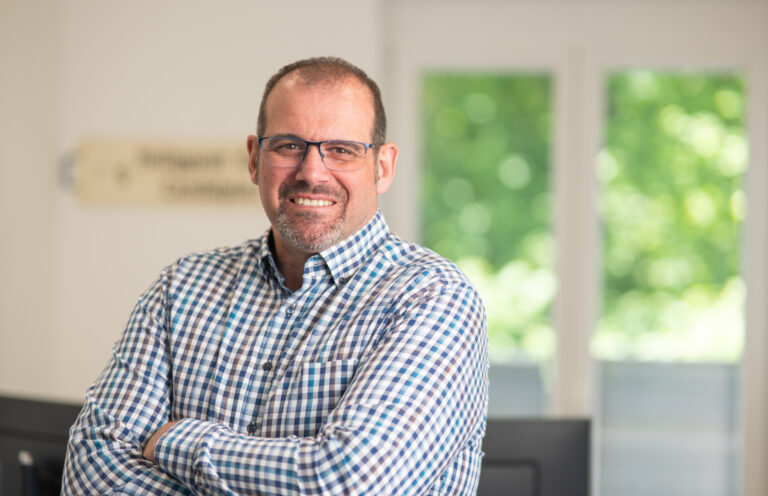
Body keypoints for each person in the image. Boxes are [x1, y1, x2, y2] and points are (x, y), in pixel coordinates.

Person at [62, 56, 488, 495]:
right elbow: (90, 470)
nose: (311, 172)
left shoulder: (433, 298)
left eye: (341, 150)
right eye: (288, 146)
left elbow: (351, 484)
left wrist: (176, 441)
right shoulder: (181, 288)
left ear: (383, 167)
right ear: (254, 158)